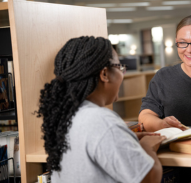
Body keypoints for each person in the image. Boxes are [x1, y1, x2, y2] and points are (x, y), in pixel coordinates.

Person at [36, 36, 166, 183]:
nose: (122, 74)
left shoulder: (66, 116)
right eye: (120, 67)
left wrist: (125, 139)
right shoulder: (100, 120)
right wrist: (147, 146)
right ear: (104, 74)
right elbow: (149, 178)